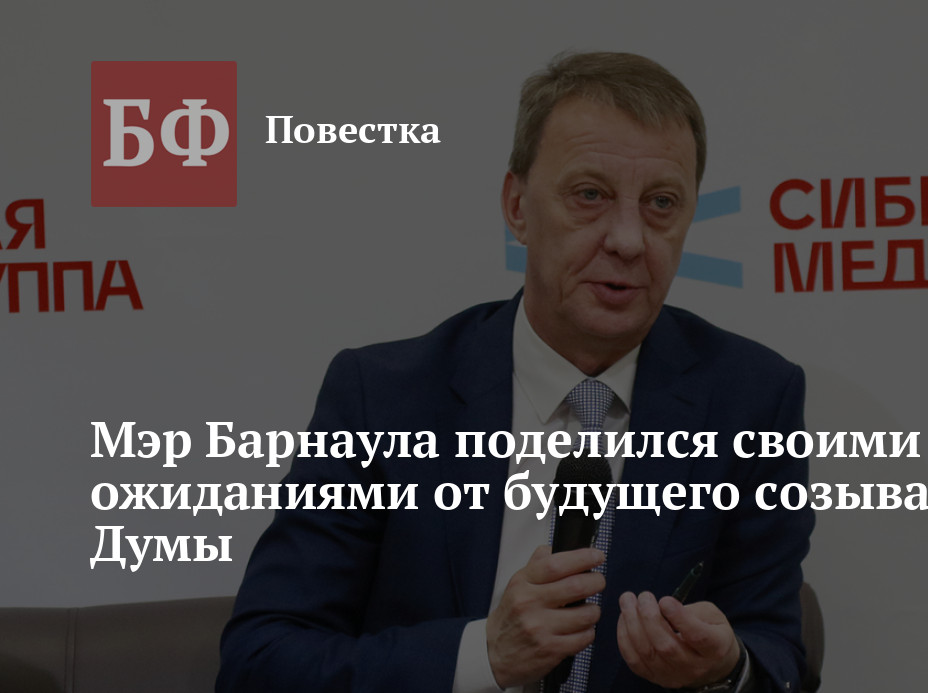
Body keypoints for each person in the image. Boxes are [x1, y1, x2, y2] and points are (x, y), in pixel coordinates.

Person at [217, 51, 813, 693]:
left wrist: (726, 670)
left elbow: (775, 653)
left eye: (661, 203)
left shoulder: (751, 398)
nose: (628, 239)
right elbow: (261, 661)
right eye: (590, 195)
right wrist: (483, 657)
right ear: (518, 207)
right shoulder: (383, 396)